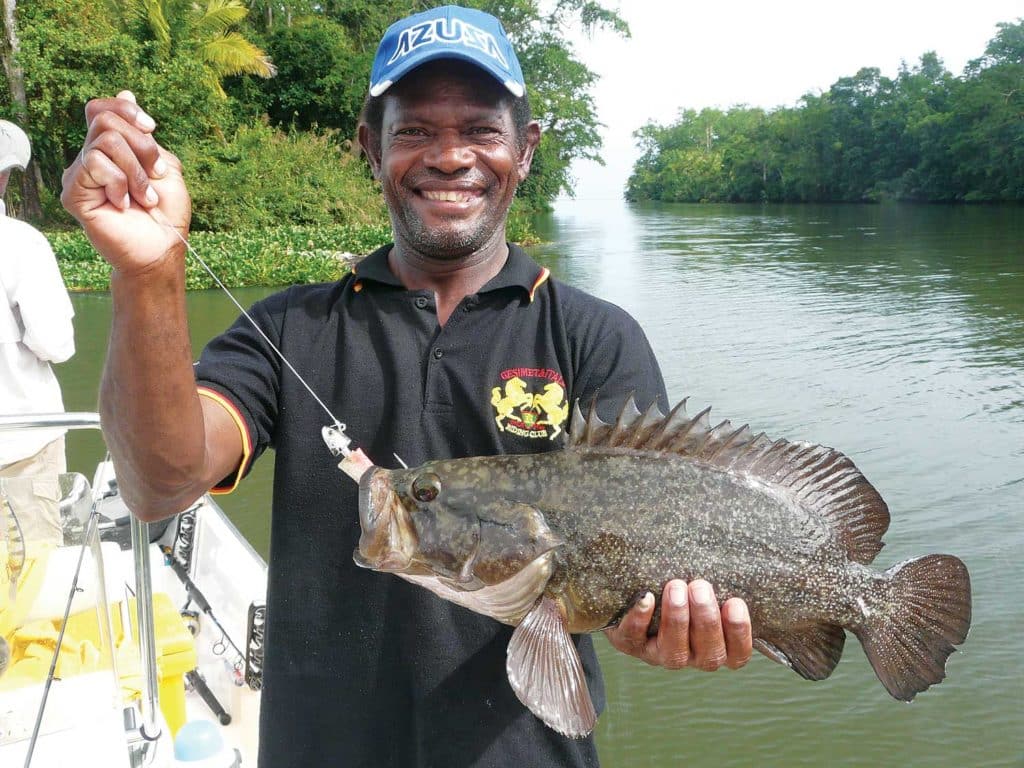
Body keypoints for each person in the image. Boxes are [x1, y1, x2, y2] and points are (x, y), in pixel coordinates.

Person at [60, 6, 752, 766]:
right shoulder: (290, 327)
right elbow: (158, 485)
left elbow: (639, 566)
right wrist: (147, 271)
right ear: (370, 146)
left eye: (481, 131)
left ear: (525, 151)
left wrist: (655, 626)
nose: (450, 156)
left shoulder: (595, 336)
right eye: (415, 130)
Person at [0, 120, 75, 547]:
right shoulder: (21, 243)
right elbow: (56, 345)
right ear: (6, 174)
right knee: (33, 575)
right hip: (21, 451)